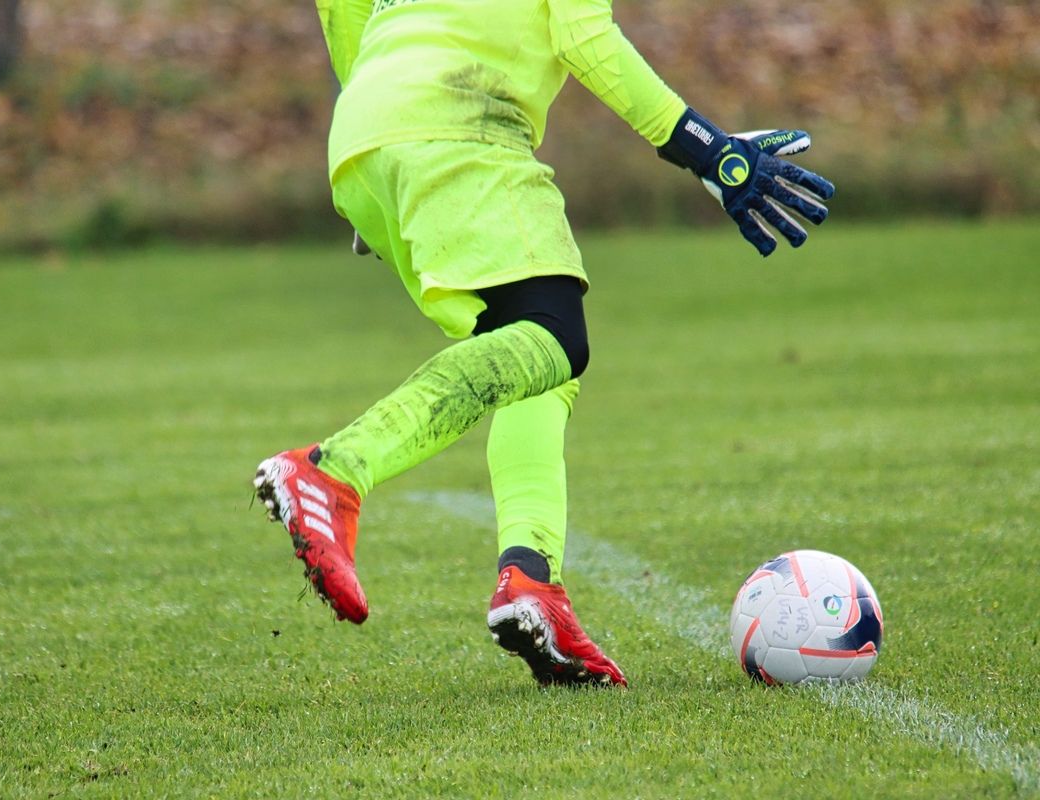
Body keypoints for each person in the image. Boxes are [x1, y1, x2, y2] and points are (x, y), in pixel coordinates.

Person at [254, 0, 834, 687]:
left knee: (528, 357)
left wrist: (376, 135)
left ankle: (532, 582)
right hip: (457, 118)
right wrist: (710, 151)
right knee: (552, 335)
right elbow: (584, 36)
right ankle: (334, 469)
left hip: (365, 134)